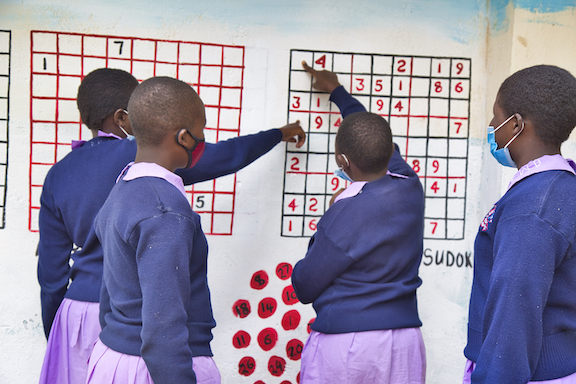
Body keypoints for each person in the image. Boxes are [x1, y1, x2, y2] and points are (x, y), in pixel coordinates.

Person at [37, 68, 305, 384]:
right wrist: (278, 133)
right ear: (126, 117)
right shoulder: (144, 161)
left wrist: (57, 330)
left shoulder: (61, 173)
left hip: (80, 318)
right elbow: (226, 156)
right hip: (139, 322)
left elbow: (51, 275)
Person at [291, 62, 426, 383]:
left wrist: (328, 218)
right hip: (406, 342)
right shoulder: (409, 184)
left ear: (342, 161)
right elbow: (372, 134)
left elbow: (305, 285)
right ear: (389, 151)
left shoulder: (342, 213)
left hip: (348, 345)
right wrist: (338, 92)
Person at [89, 76, 215, 383]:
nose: (203, 139)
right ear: (184, 137)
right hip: (152, 368)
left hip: (114, 353)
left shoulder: (122, 190)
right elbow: (164, 325)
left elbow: (109, 291)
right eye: (202, 131)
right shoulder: (165, 209)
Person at [463, 65, 576, 383]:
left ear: (515, 124)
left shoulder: (532, 208)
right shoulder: (559, 187)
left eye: (495, 116)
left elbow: (514, 314)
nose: (490, 125)